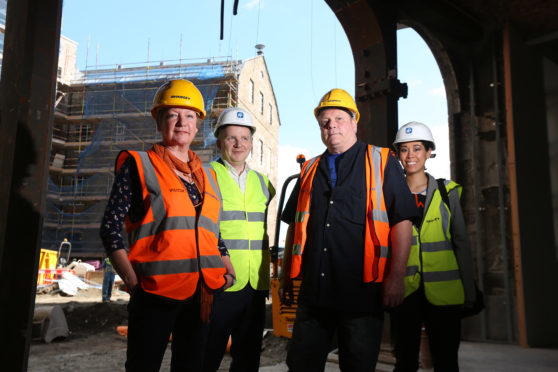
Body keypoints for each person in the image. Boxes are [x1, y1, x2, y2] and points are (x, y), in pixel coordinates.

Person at [99, 79, 236, 372]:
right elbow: (110, 227)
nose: (181, 122)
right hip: (155, 293)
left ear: (198, 124)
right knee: (143, 366)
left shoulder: (208, 175)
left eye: (189, 115)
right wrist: (134, 283)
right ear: (160, 120)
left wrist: (228, 267)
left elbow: (212, 232)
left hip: (202, 293)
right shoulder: (139, 164)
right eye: (172, 114)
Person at [279, 88, 419, 372]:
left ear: (355, 122)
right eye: (325, 121)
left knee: (357, 366)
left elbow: (401, 221)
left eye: (339, 118)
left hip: (362, 293)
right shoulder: (308, 170)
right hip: (314, 294)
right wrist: (285, 278)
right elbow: (295, 226)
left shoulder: (381, 161)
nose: (331, 125)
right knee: (300, 365)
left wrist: (396, 277)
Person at [389, 121, 477, 372]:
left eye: (417, 148)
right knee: (404, 361)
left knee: (446, 361)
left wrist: (468, 289)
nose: (410, 155)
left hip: (445, 292)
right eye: (404, 150)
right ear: (397, 155)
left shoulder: (447, 193)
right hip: (404, 292)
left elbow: (461, 242)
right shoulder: (389, 195)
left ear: (429, 152)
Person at [202, 107, 275, 371]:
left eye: (244, 138)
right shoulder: (206, 176)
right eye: (231, 138)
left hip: (255, 285)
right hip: (219, 282)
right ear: (219, 141)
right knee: (206, 357)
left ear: (252, 143)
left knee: (248, 360)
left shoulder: (263, 182)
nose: (238, 144)